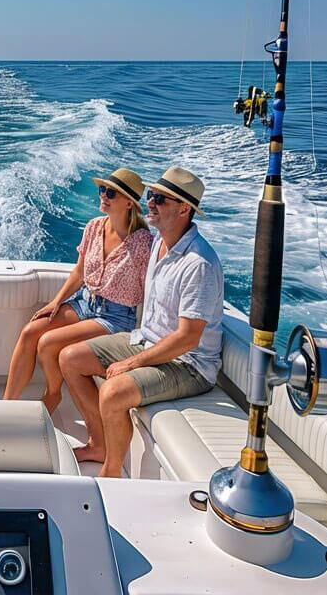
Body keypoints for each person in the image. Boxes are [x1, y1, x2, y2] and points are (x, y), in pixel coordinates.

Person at [58, 166, 223, 478]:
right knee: (70, 358)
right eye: (150, 196)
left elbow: (188, 339)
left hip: (189, 365)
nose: (150, 203)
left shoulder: (198, 264)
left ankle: (110, 473)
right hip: (147, 340)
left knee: (113, 392)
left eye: (160, 199)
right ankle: (100, 443)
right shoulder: (159, 244)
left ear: (184, 208)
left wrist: (131, 364)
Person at [3, 167, 153, 415]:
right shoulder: (94, 226)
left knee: (48, 343)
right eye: (102, 189)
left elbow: (151, 290)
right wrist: (56, 301)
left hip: (114, 316)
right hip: (84, 302)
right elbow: (79, 272)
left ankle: (52, 394)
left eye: (111, 193)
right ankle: (5, 409)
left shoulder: (143, 243)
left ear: (129, 203)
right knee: (31, 332)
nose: (103, 195)